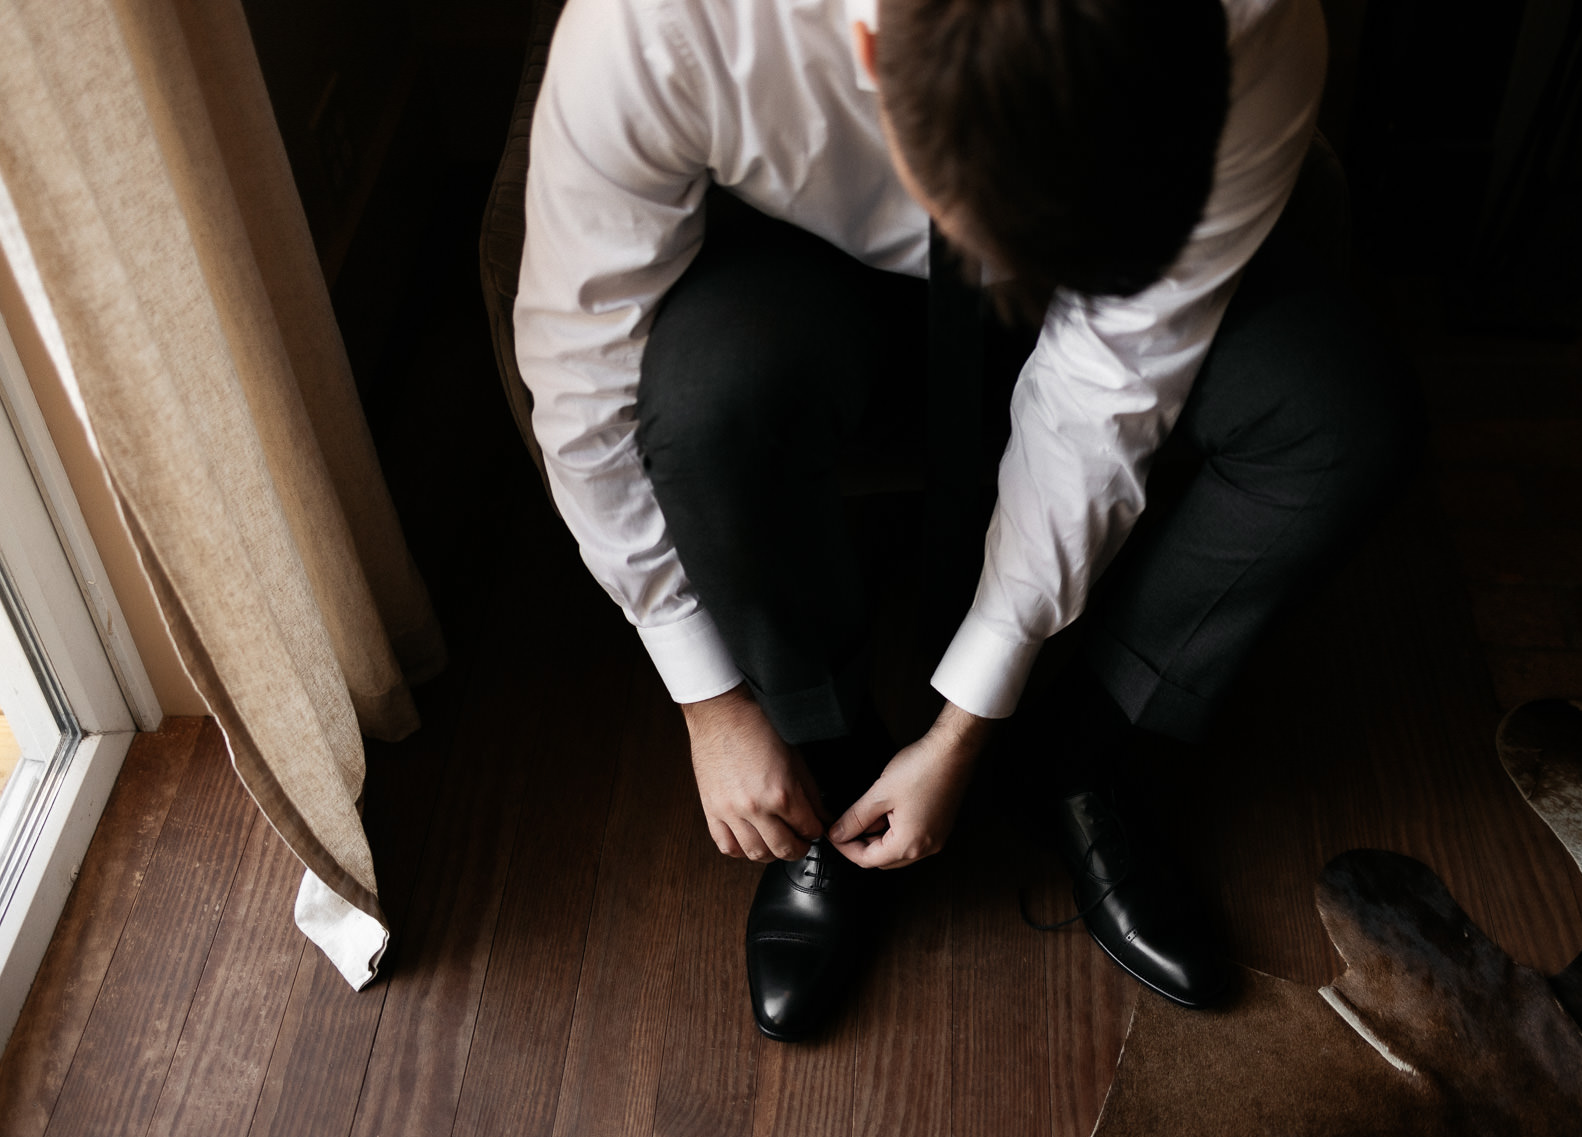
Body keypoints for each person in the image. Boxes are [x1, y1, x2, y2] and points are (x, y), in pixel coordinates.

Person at [515, 0, 1423, 1040]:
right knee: (703, 399)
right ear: (867, 47)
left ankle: (1081, 757)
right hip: (821, 269)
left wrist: (971, 719)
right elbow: (582, 391)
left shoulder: (1252, 19)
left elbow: (1111, 379)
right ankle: (834, 774)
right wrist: (709, 700)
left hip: (1118, 288)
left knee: (1343, 412)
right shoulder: (658, 25)